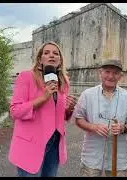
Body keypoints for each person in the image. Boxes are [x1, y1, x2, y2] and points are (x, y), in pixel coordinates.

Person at [8, 41, 77, 177]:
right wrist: (43, 98)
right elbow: (15, 111)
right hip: (30, 144)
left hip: (55, 143)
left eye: (55, 53)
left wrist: (69, 109)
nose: (51, 55)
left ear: (60, 60)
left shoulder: (64, 81)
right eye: (46, 53)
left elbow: (60, 116)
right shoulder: (26, 77)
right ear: (40, 59)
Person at [73, 59, 127, 177]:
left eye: (115, 73)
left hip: (119, 159)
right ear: (100, 72)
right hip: (91, 157)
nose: (110, 76)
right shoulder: (87, 95)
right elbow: (78, 119)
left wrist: (123, 128)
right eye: (107, 72)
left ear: (121, 76)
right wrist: (92, 127)